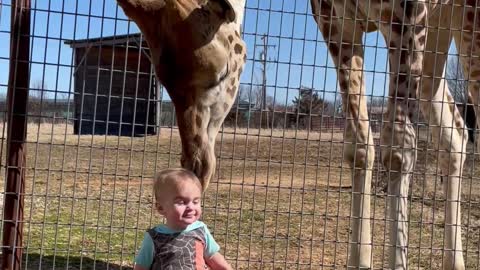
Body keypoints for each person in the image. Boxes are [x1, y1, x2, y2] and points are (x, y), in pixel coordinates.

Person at [134, 168, 232, 270]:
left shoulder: (200, 230)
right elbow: (141, 267)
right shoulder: (155, 237)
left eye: (195, 201)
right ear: (161, 208)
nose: (190, 207)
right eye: (181, 202)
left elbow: (213, 257)